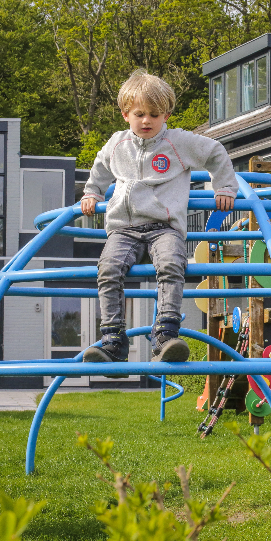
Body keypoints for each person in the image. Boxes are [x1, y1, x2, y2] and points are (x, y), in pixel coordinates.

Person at [81, 69, 238, 365]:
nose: (146, 121)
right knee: (107, 269)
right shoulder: (117, 144)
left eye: (155, 114)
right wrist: (92, 193)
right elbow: (101, 167)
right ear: (125, 113)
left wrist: (225, 187)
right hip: (124, 229)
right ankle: (112, 339)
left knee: (170, 264)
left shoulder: (179, 143)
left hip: (164, 228)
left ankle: (166, 334)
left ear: (166, 115)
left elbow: (216, 152)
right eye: (140, 114)